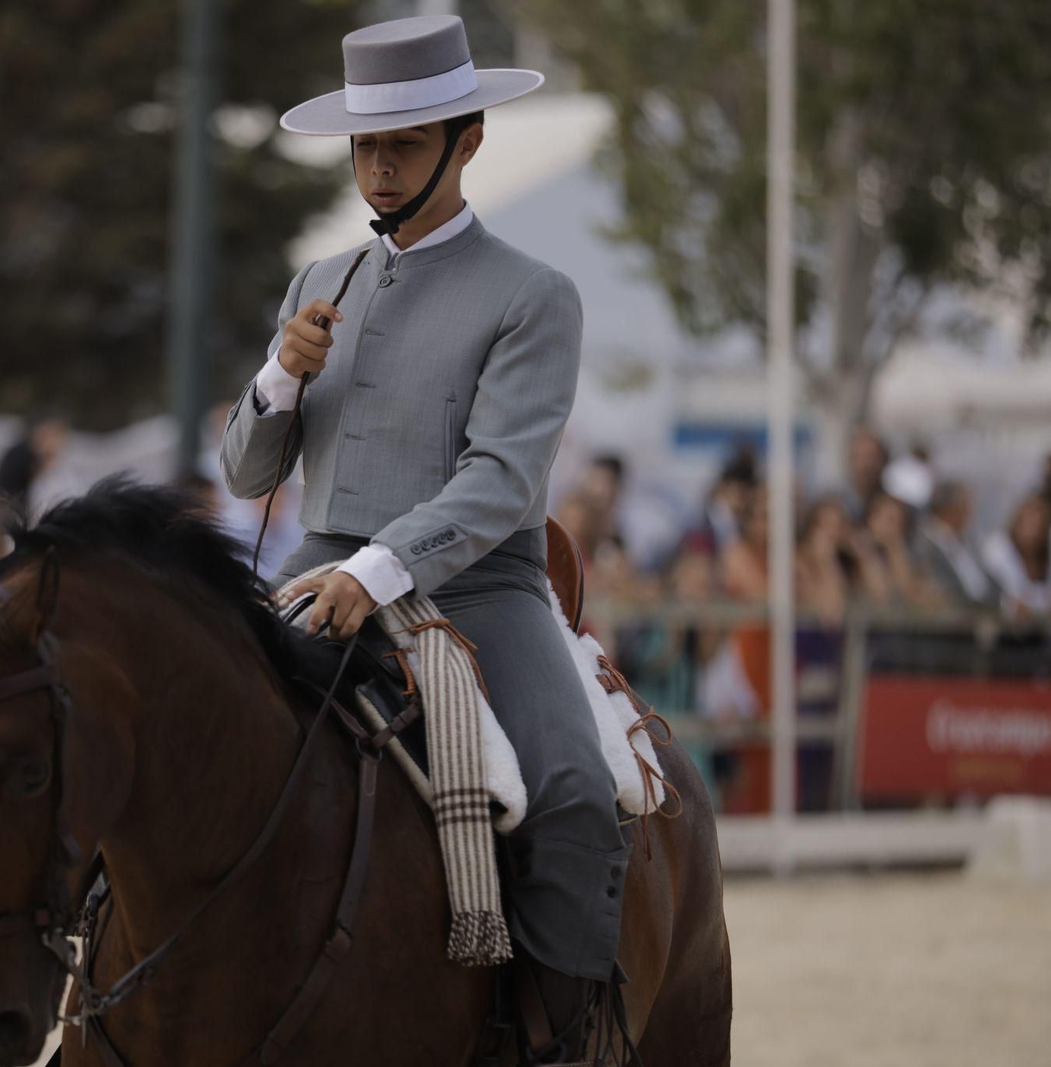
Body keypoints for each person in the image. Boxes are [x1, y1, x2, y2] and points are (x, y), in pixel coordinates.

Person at [218, 17, 624, 1058]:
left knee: (571, 792)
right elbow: (246, 474)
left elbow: (500, 479)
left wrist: (377, 567)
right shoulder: (317, 280)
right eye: (366, 145)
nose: (380, 166)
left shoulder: (533, 294)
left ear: (468, 139)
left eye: (403, 143)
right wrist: (279, 375)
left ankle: (561, 1038)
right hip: (315, 567)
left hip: (481, 586)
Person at [916, 481, 998, 610]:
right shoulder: (924, 545)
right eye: (966, 509)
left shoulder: (966, 542)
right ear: (951, 511)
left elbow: (987, 581)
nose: (970, 515)